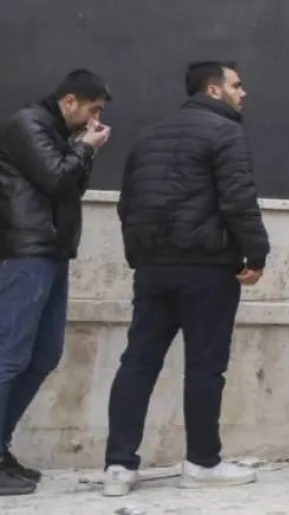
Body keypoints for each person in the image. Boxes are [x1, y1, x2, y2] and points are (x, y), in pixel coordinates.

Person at [103, 62, 269, 497]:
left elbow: (128, 204)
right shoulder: (226, 133)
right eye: (237, 84)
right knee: (205, 368)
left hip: (154, 268)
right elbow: (238, 198)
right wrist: (257, 252)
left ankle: (118, 467)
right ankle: (202, 462)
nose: (243, 93)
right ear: (213, 90)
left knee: (138, 362)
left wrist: (139, 256)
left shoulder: (147, 135)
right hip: (208, 268)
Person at [0, 70, 113, 497]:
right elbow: (55, 178)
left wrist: (84, 151)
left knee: (44, 355)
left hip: (52, 252)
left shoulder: (54, 131)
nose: (93, 118)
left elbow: (71, 185)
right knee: (9, 356)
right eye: (92, 109)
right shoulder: (27, 124)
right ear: (69, 102)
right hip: (24, 251)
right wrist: (84, 146)